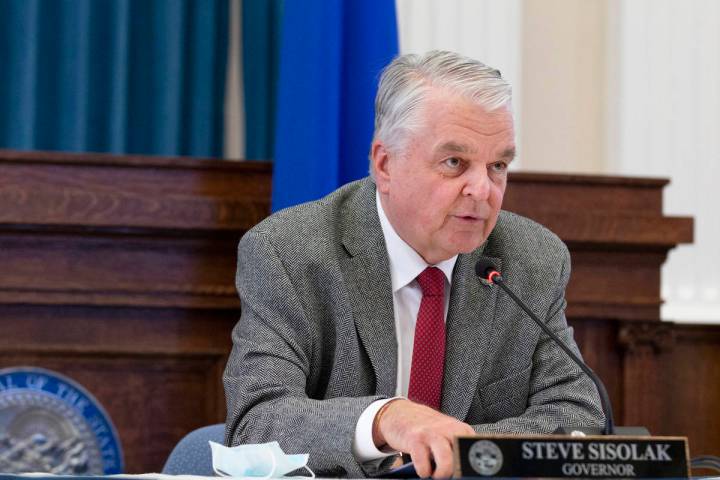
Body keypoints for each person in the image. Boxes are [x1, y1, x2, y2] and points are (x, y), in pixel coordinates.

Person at [223, 50, 603, 479]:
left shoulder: (531, 259)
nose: (482, 189)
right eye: (454, 162)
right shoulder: (290, 253)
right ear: (385, 165)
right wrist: (388, 420)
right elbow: (257, 422)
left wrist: (456, 451)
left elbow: (576, 414)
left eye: (498, 165)